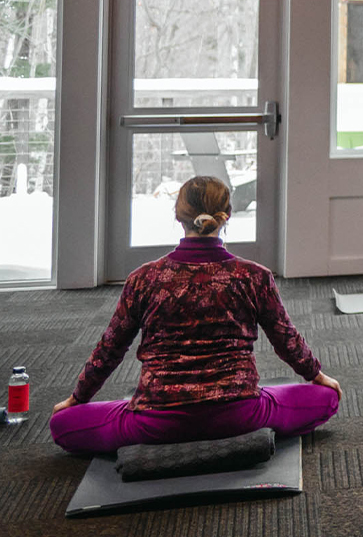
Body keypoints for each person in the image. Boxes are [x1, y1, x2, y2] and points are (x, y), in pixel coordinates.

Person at [48, 177, 342, 455]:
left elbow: (110, 348)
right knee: (328, 397)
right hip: (240, 414)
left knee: (61, 424)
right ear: (227, 215)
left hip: (156, 422)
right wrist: (317, 375)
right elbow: (285, 338)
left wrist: (78, 399)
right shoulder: (254, 276)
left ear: (179, 217)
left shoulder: (143, 278)